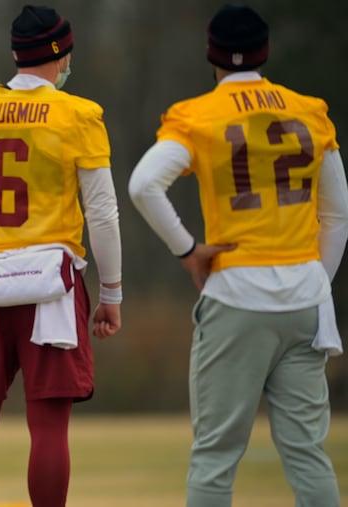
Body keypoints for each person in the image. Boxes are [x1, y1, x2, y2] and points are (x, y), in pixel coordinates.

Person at [128, 5, 348, 507]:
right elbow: (338, 214)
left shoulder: (199, 115)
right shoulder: (309, 111)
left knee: (215, 456)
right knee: (308, 455)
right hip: (305, 298)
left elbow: (144, 185)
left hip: (237, 292)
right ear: (265, 53)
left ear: (212, 57)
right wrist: (317, 283)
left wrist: (187, 250)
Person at [0, 5, 123, 507]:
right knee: (49, 425)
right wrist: (113, 292)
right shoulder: (78, 115)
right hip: (52, 282)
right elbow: (102, 212)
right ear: (60, 54)